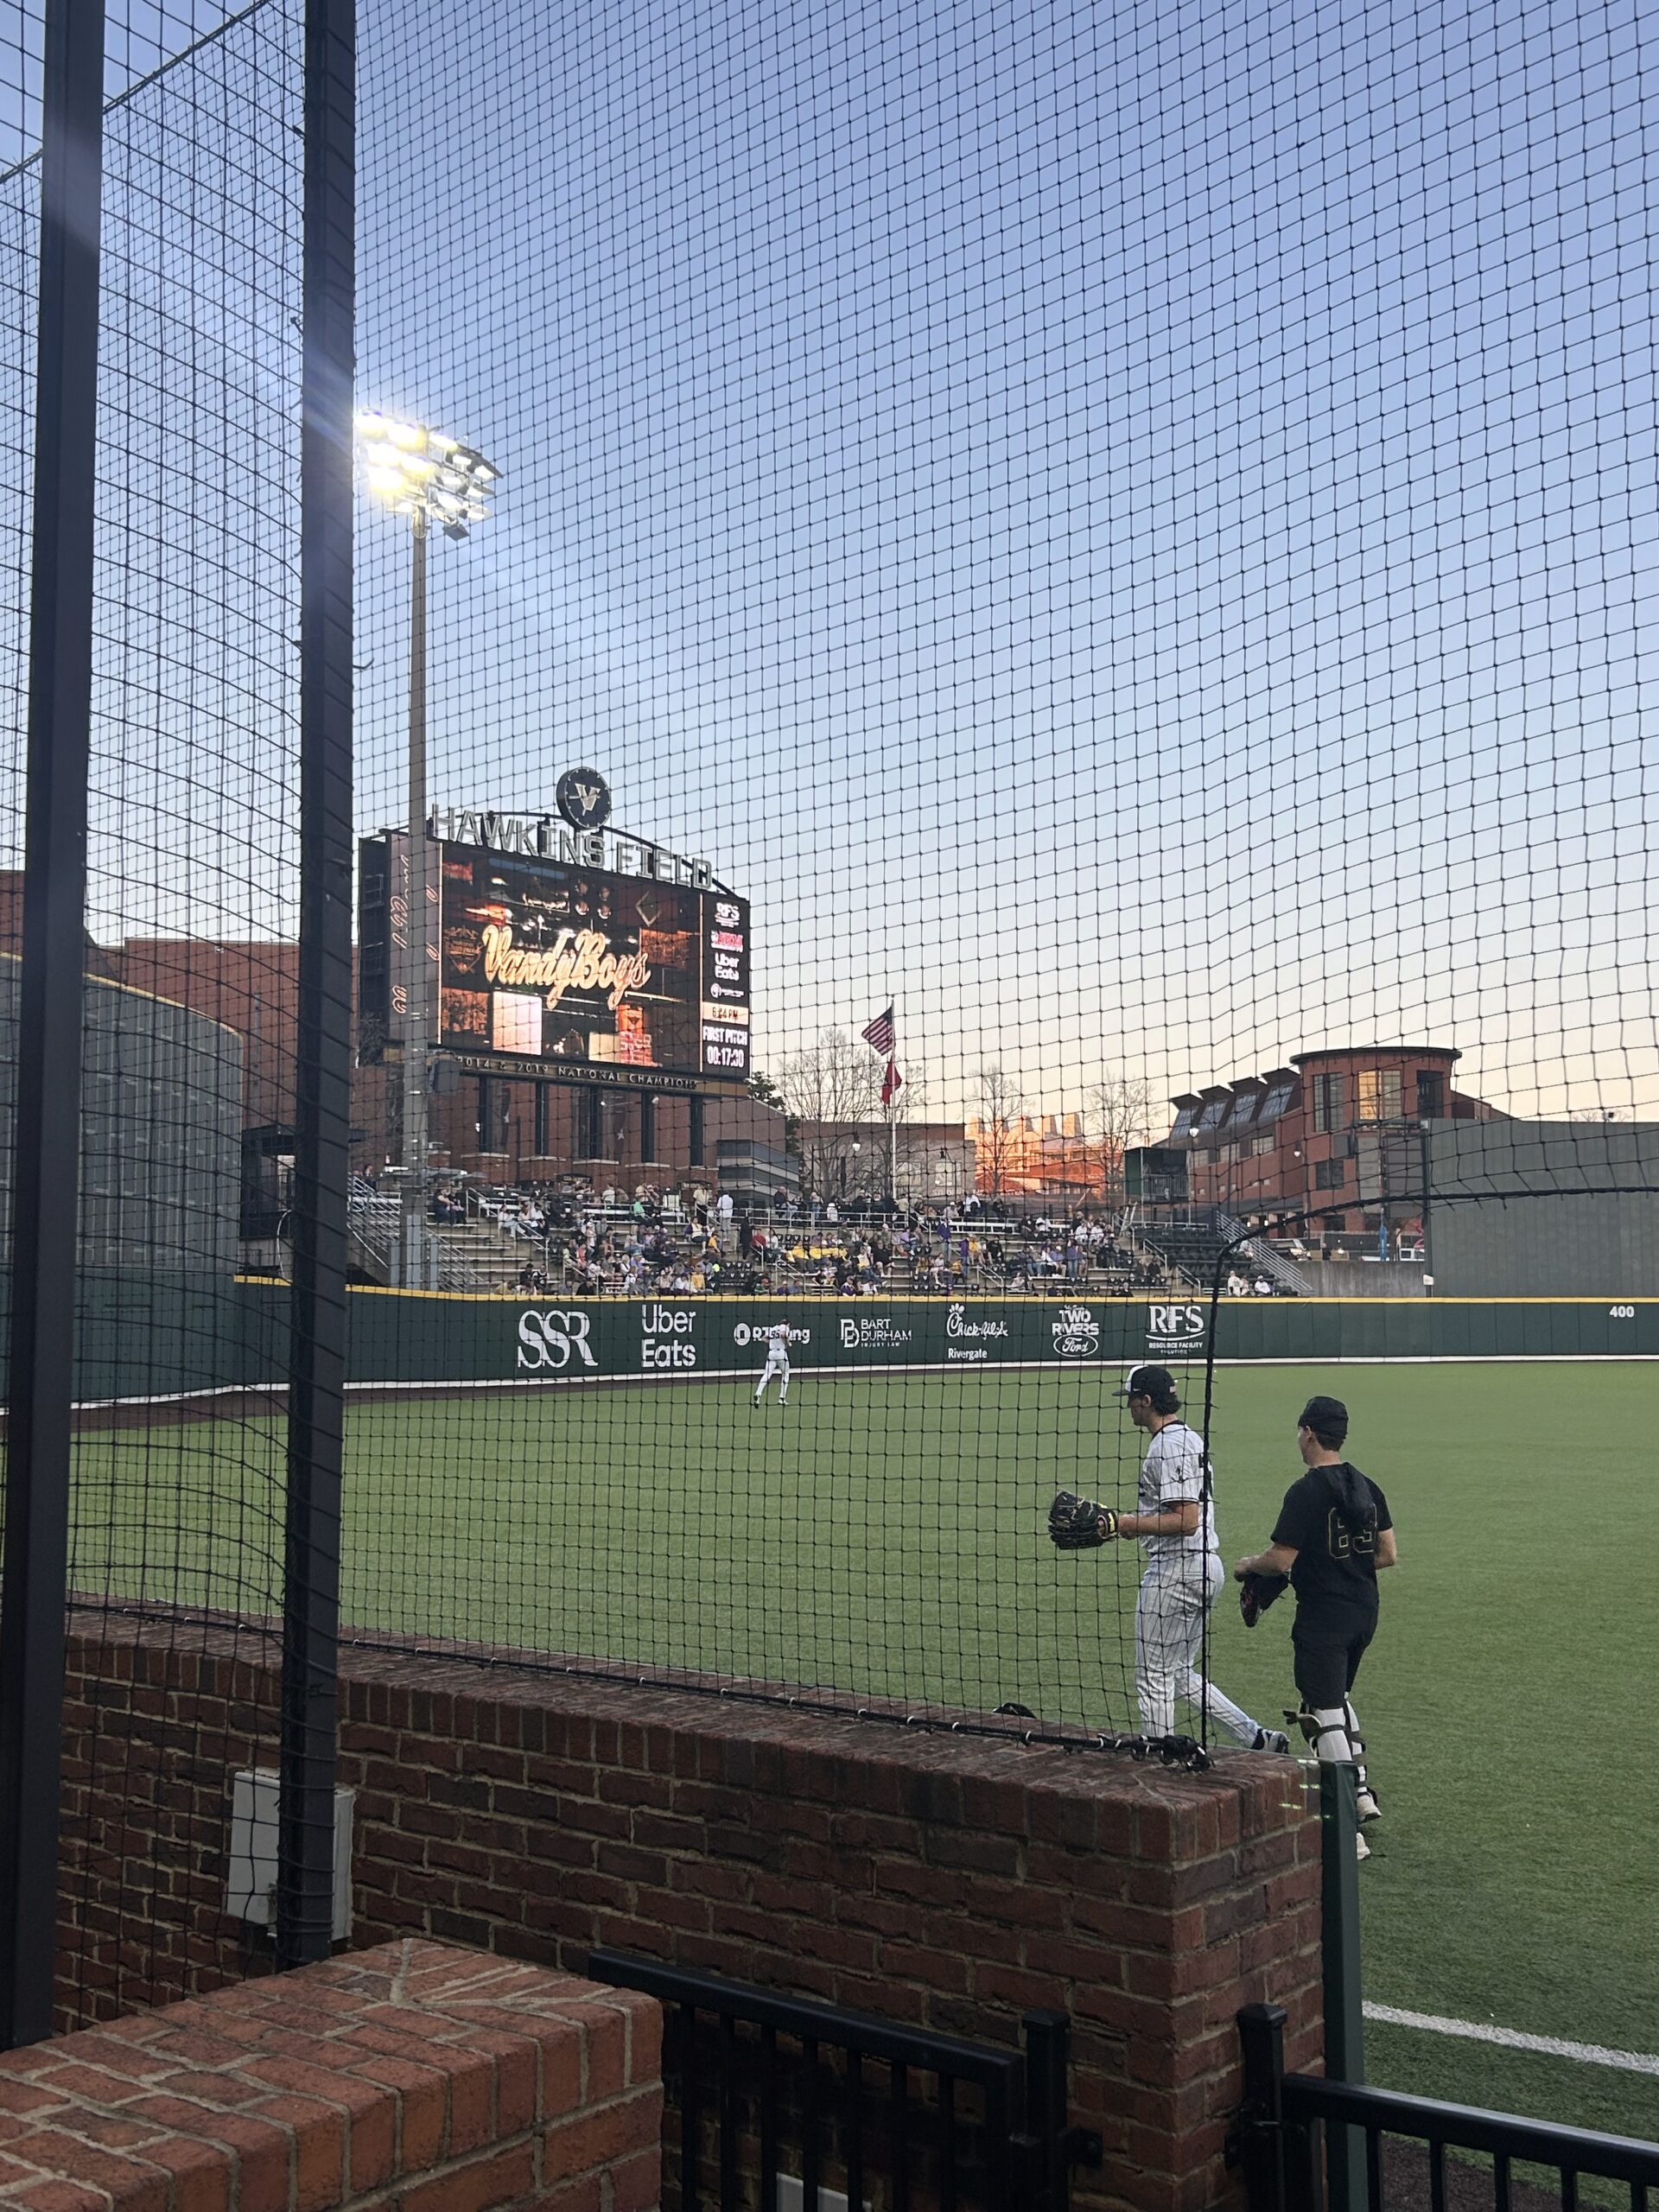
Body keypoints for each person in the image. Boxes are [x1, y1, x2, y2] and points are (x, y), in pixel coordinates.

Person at [1233, 1395, 1395, 1858]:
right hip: (1364, 1611)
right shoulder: (1367, 1484)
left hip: (1323, 1618)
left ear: (1308, 1432)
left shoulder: (1305, 1491)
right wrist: (1343, 1568)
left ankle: (1346, 1830)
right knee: (1335, 1698)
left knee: (1322, 1713)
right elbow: (1387, 1554)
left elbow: (1280, 1560)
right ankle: (1360, 1794)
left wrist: (1248, 1565)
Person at [1109, 1365, 1286, 1754]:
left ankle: (1162, 1756)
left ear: (1146, 1401)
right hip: (1202, 1567)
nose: (1129, 1407)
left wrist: (1128, 1523)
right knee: (1178, 1674)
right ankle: (1257, 1738)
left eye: (1132, 1400)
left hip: (1177, 1571)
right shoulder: (1188, 1437)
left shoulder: (1167, 1445)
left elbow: (1185, 1520)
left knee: (1153, 1676)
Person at [753, 1319, 792, 1407]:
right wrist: (788, 1342)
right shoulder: (784, 1327)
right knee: (785, 1374)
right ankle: (782, 1398)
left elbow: (763, 1338)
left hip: (771, 1353)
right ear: (788, 1324)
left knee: (767, 1374)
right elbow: (783, 1335)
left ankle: (758, 1394)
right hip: (781, 1353)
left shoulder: (773, 1328)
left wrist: (772, 1342)